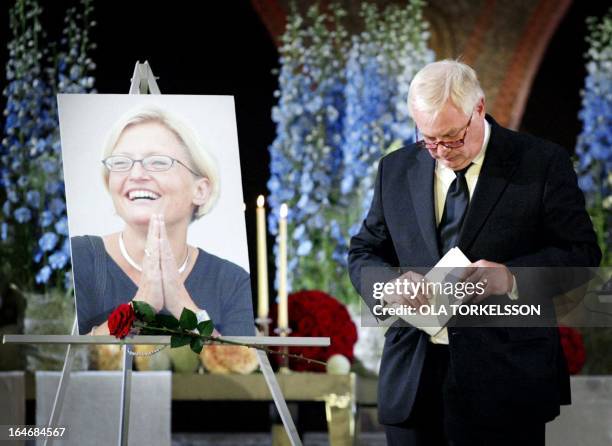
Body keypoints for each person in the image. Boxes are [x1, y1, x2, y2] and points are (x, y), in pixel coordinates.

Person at [348, 60, 601, 446]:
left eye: (450, 137)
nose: (440, 152)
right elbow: (364, 251)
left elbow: (581, 255)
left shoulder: (541, 162)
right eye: (427, 139)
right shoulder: (394, 169)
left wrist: (512, 277)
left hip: (507, 381)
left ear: (478, 109)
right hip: (414, 382)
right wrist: (390, 285)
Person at [72, 105, 254, 336]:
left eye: (158, 162)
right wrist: (138, 308)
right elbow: (71, 365)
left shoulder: (231, 282)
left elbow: (239, 368)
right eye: (121, 162)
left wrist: (181, 303)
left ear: (200, 190)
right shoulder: (77, 258)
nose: (136, 175)